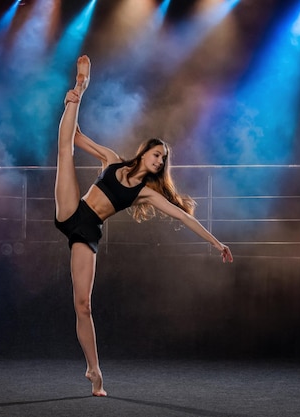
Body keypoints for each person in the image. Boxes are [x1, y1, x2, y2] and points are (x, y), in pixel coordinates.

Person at [54, 55, 233, 397]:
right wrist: (71, 103)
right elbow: (74, 138)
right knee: (63, 151)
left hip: (87, 232)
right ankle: (81, 87)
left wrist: (215, 242)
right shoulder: (112, 159)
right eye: (158, 154)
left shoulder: (146, 194)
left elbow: (183, 215)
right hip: (71, 211)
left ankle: (94, 370)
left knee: (83, 305)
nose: (160, 160)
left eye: (163, 160)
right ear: (146, 151)